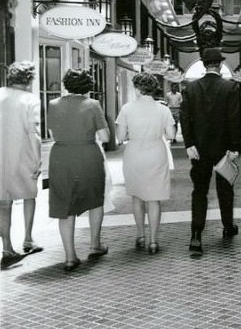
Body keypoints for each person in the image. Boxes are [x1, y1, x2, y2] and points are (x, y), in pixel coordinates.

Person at [180, 47, 241, 257]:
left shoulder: (191, 88)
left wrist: (189, 144)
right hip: (223, 148)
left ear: (204, 65)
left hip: (198, 149)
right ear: (221, 65)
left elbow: (185, 118)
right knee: (225, 189)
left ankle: (196, 236)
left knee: (199, 192)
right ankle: (227, 226)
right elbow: (234, 120)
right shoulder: (230, 87)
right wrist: (234, 147)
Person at [47, 69, 110, 272]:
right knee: (95, 199)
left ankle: (69, 256)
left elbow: (52, 131)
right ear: (88, 86)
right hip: (87, 154)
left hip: (61, 156)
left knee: (64, 204)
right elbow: (106, 137)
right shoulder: (93, 105)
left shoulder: (53, 104)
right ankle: (94, 244)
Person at [116, 73, 177, 254]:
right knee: (154, 198)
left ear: (137, 89)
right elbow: (172, 135)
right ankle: (153, 241)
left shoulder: (127, 109)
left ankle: (140, 235)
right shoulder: (163, 110)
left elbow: (120, 137)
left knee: (137, 196)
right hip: (156, 153)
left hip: (134, 154)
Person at [0, 61, 43, 269]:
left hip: (1, 154)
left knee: (3, 201)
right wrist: (37, 158)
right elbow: (32, 131)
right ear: (29, 79)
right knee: (29, 195)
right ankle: (28, 238)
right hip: (23, 152)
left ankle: (6, 246)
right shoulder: (30, 99)